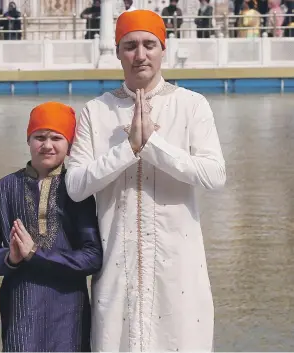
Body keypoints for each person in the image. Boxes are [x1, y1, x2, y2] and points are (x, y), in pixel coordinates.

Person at [66, 9, 226, 351]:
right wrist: (127, 150)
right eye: (130, 46)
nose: (140, 55)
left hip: (178, 268)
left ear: (163, 49)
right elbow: (76, 185)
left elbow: (214, 175)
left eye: (149, 45)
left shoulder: (191, 105)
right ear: (118, 51)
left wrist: (153, 147)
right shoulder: (97, 111)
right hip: (117, 267)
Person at [0, 102, 103, 352]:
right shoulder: (5, 188)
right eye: (40, 137)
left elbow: (92, 257)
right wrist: (10, 258)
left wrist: (36, 254)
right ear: (28, 140)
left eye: (56, 138)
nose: (47, 145)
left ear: (69, 144)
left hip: (69, 310)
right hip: (21, 306)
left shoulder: (76, 189)